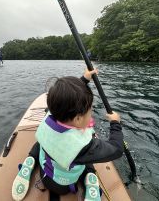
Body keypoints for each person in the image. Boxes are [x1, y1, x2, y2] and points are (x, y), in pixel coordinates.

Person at [12, 69, 124, 201]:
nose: (91, 113)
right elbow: (117, 149)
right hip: (62, 185)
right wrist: (115, 123)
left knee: (40, 144)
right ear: (77, 119)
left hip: (46, 171)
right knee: (88, 160)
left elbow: (66, 100)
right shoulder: (83, 146)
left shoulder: (52, 114)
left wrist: (84, 79)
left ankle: (31, 159)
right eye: (90, 110)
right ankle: (89, 175)